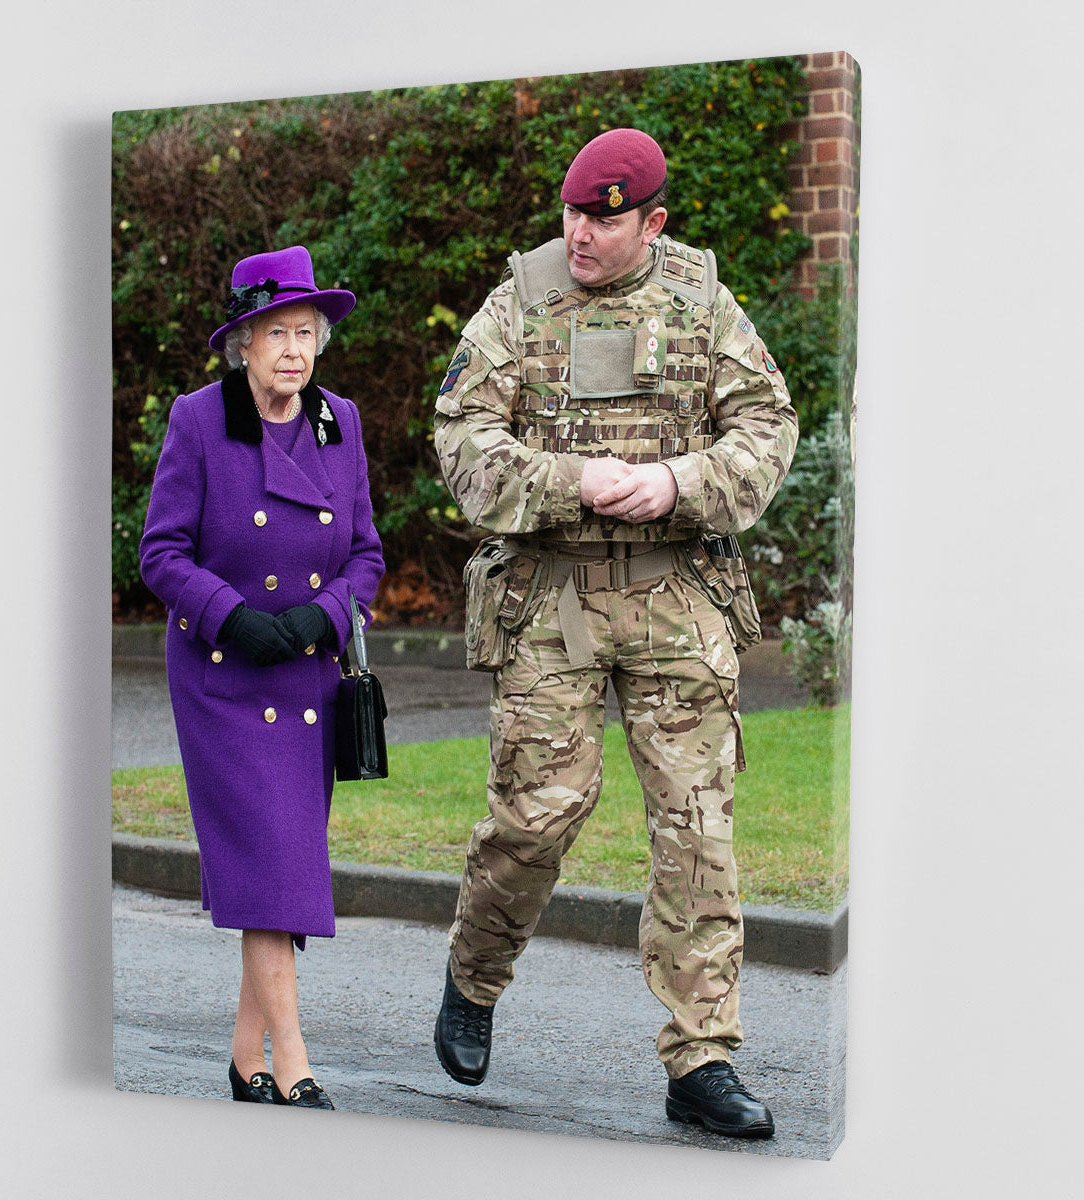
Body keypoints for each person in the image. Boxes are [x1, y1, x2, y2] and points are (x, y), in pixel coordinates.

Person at [431, 129, 797, 1139]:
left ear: (655, 222)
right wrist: (568, 482)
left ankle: (702, 1057)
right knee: (537, 818)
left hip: (680, 597)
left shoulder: (702, 303)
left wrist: (680, 482)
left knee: (696, 829)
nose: (580, 233)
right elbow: (460, 440)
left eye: (605, 218)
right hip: (551, 599)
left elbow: (768, 424)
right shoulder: (520, 301)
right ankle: (474, 973)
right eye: (573, 213)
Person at [140, 246, 385, 1109]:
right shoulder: (198, 421)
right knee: (272, 866)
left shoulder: (339, 421)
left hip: (307, 677)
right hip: (224, 682)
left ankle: (246, 1057)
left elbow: (365, 551)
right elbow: (160, 553)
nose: (293, 349)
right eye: (276, 332)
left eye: (306, 333)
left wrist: (323, 617)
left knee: (274, 871)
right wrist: (233, 617)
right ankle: (294, 1065)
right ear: (241, 342)